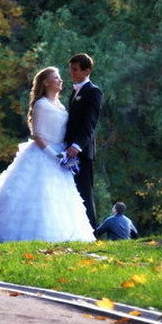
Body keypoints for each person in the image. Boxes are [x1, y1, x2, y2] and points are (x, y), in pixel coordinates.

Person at [0, 67, 95, 243]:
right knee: (39, 194)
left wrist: (67, 153)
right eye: (56, 78)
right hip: (44, 154)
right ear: (46, 82)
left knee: (60, 197)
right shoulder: (41, 104)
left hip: (61, 155)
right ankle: (30, 236)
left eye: (60, 78)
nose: (61, 81)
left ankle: (65, 236)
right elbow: (37, 135)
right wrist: (55, 155)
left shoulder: (60, 104)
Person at [64, 53, 102, 227]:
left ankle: (91, 230)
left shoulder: (93, 92)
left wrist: (77, 145)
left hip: (82, 151)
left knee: (85, 192)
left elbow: (90, 123)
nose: (71, 72)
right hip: (69, 149)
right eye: (71, 69)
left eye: (75, 69)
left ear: (86, 71)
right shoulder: (74, 91)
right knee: (73, 192)